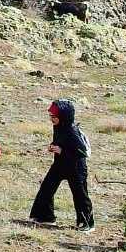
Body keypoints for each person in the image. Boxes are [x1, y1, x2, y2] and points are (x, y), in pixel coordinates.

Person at [30, 98, 94, 232]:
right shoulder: (58, 127)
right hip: (60, 164)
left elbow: (81, 152)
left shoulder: (73, 130)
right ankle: (45, 216)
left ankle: (87, 223)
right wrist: (53, 146)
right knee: (47, 188)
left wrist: (62, 151)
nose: (51, 119)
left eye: (54, 117)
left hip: (76, 168)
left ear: (63, 116)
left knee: (80, 195)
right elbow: (59, 141)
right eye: (50, 116)